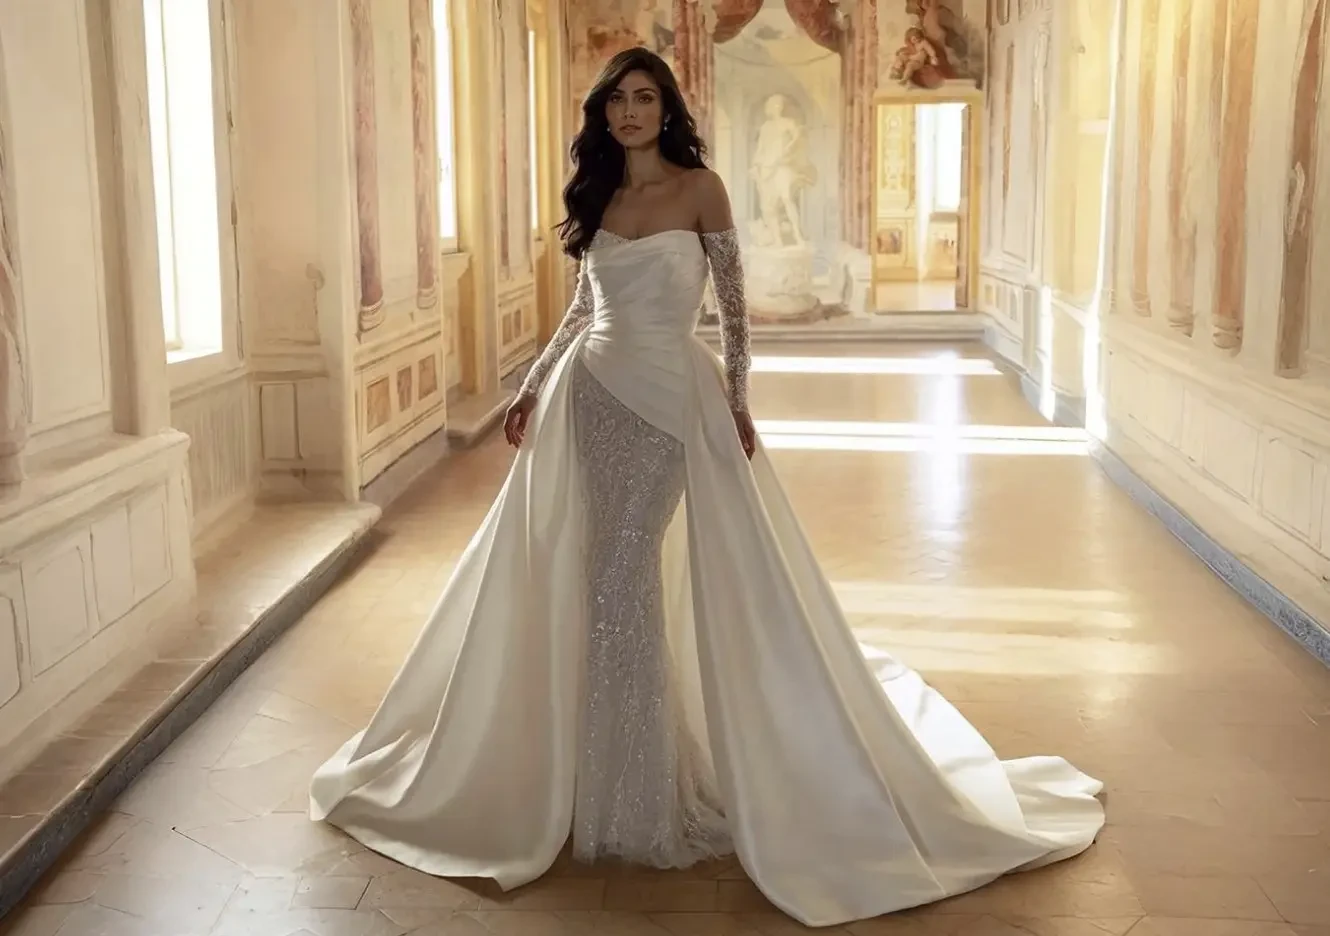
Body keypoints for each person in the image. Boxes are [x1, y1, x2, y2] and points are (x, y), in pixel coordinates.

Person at [310, 47, 1104, 928]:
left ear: (667, 107)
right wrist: (533, 385)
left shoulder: (703, 188)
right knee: (589, 575)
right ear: (603, 113)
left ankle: (638, 793)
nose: (629, 113)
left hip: (667, 401)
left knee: (622, 574)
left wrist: (735, 400)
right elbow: (582, 309)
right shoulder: (601, 194)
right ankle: (590, 774)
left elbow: (731, 301)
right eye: (616, 100)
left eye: (644, 98)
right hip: (588, 395)